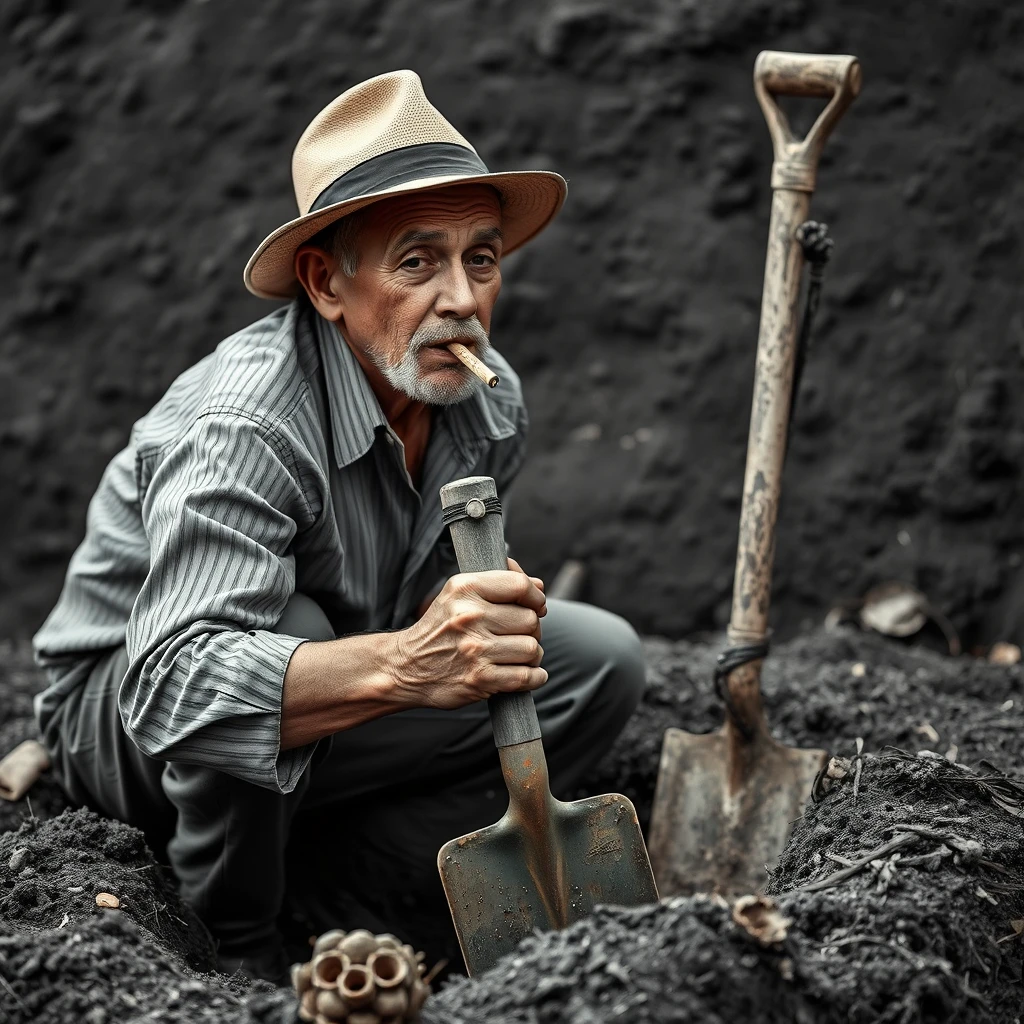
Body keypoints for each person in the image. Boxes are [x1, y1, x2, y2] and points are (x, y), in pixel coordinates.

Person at [31, 70, 646, 980]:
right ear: (326, 282)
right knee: (286, 633)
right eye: (416, 261)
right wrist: (409, 661)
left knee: (592, 663)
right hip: (121, 720)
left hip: (324, 692)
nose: (464, 301)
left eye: (481, 257)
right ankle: (233, 938)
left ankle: (351, 879)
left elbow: (430, 605)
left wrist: (463, 626)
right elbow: (172, 684)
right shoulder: (249, 425)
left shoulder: (487, 399)